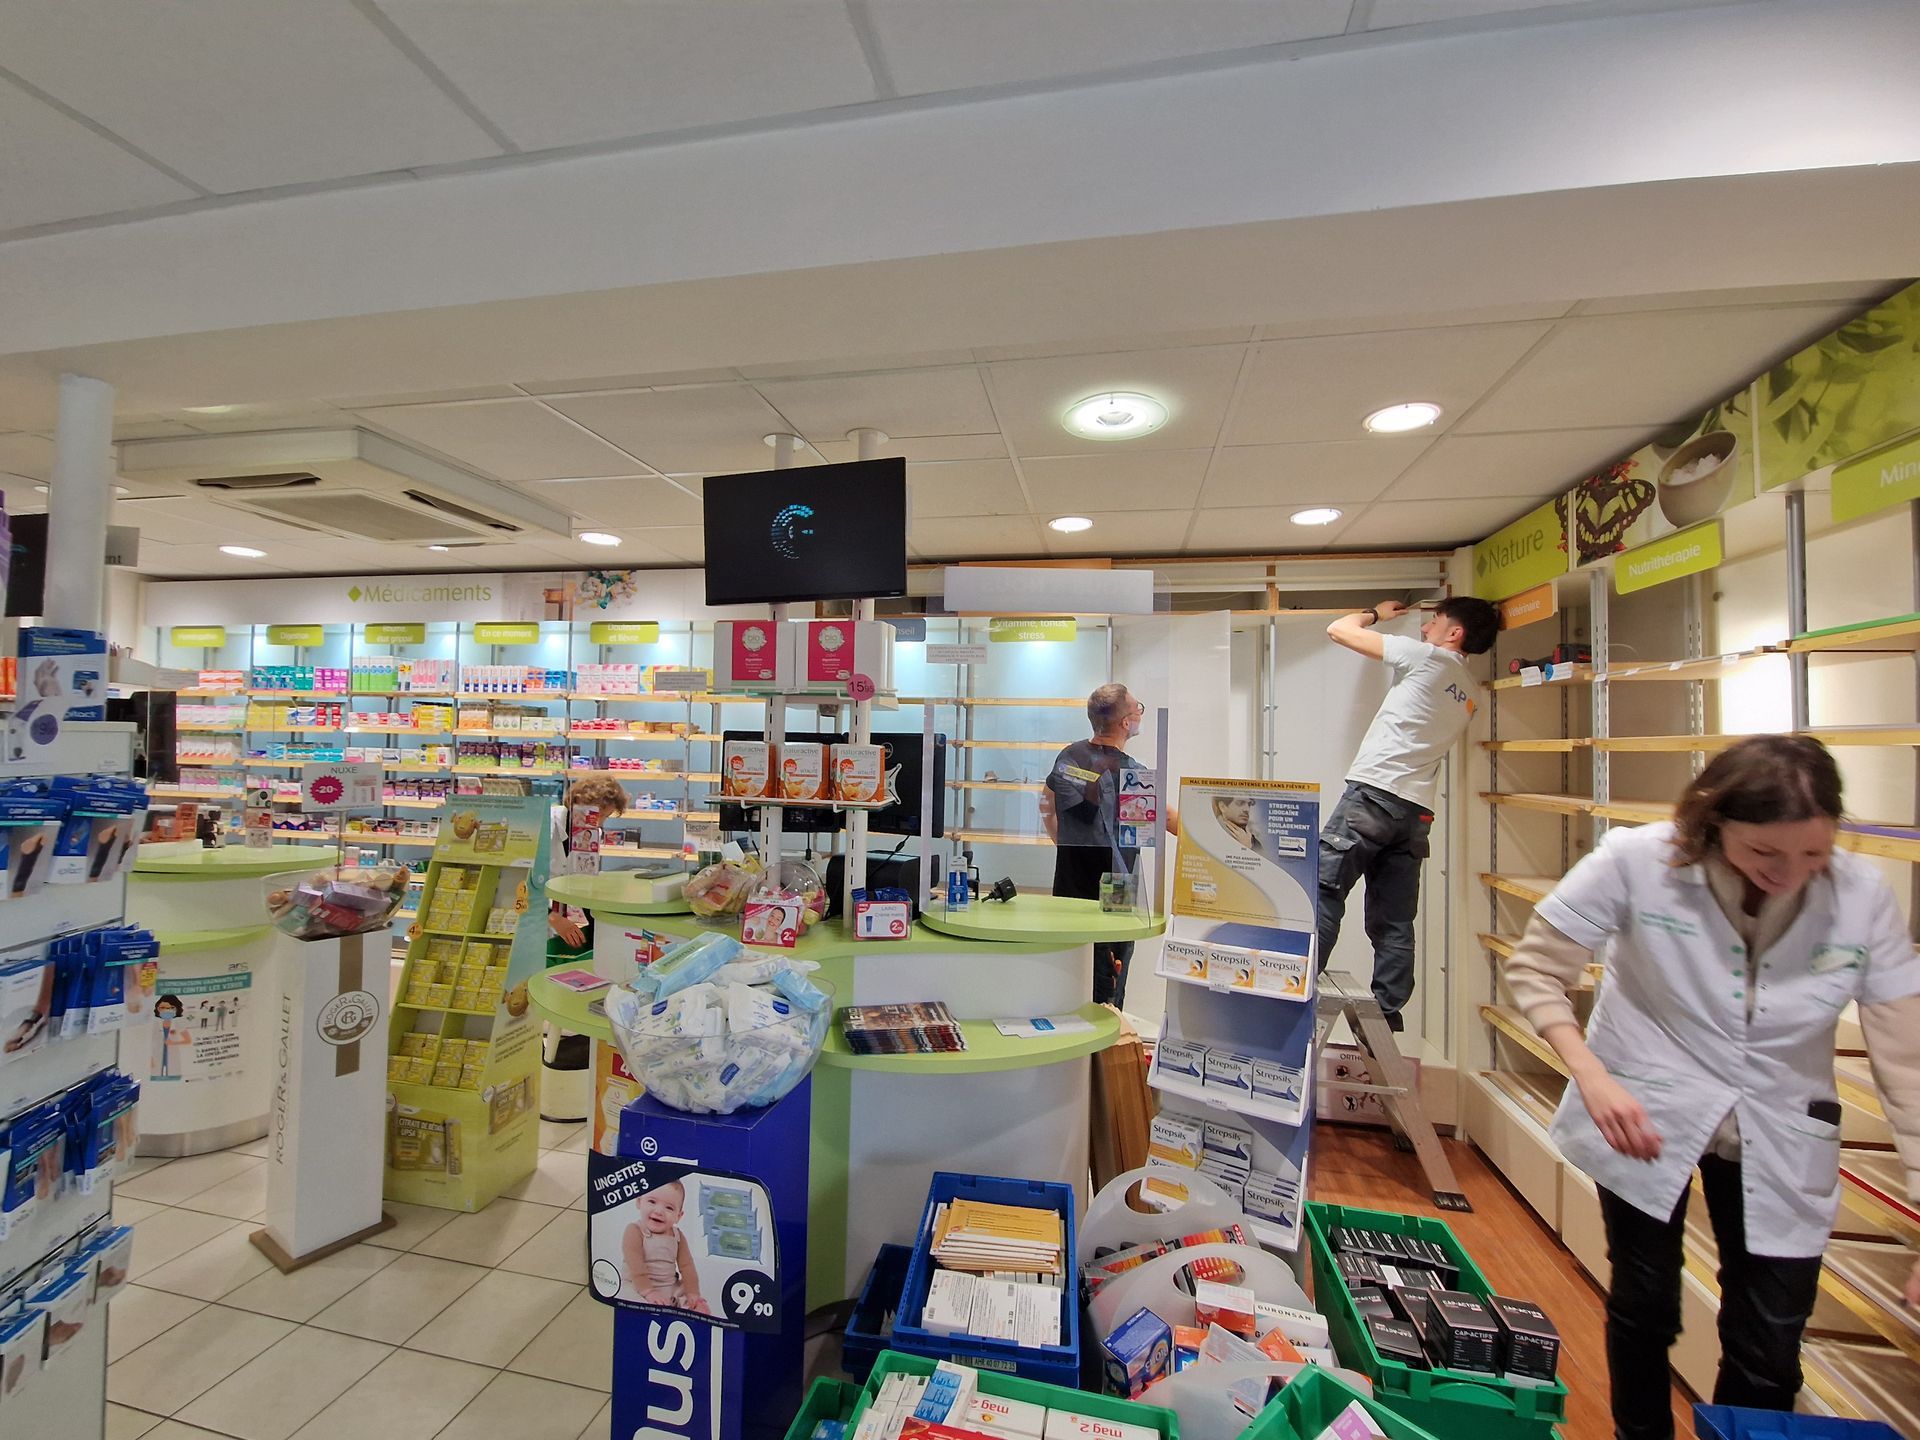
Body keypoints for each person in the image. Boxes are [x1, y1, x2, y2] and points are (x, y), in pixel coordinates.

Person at [1504, 736, 1920, 1435]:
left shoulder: (1862, 895)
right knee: (1645, 1304)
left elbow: (1907, 1060)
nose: (1790, 873)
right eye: (1765, 852)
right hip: (1642, 1105)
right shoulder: (1638, 859)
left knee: (1771, 1343)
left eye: (1814, 853)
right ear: (1713, 822)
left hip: (1782, 1122)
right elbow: (1535, 968)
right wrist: (1591, 1074)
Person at [1316, 596, 1498, 1029]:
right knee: (1395, 918)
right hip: (1415, 814)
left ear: (1455, 633)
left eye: (1435, 621)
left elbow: (1339, 629)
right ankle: (1386, 1012)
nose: (1425, 628)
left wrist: (1376, 614)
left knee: (1323, 889)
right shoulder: (1470, 695)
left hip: (1373, 796)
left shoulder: (1428, 657)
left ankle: (1298, 984)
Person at [1042, 683, 1178, 1009]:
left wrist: (1067, 847)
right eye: (1138, 709)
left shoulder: (1069, 756)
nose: (1140, 714)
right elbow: (1171, 819)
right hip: (1116, 888)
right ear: (1126, 722)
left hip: (1070, 884)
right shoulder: (1133, 773)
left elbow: (1046, 806)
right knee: (1108, 990)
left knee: (1068, 978)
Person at [623, 1179, 709, 1313]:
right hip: (638, 1284)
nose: (659, 1211)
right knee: (629, 1298)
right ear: (639, 1202)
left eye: (669, 1208)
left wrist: (693, 1292)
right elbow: (636, 1266)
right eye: (652, 1201)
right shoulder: (635, 1230)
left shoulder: (677, 1236)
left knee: (700, 1307)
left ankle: (682, 1308)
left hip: (669, 1286)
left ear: (678, 1216)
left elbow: (687, 1266)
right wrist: (648, 1292)